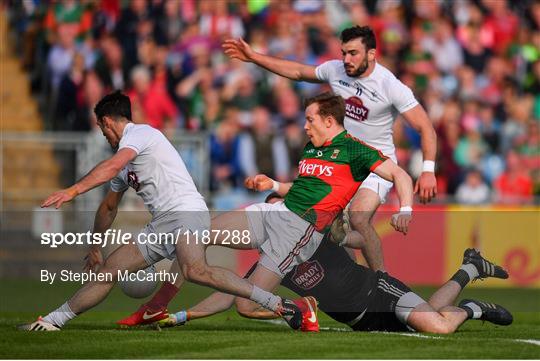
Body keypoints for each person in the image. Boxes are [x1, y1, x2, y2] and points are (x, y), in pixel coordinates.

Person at [117, 92, 415, 327]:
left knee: (245, 306)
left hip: (297, 231)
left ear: (328, 121)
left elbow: (399, 175)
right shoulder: (312, 148)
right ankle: (156, 307)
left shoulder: (355, 150)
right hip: (274, 212)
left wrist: (405, 209)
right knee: (196, 233)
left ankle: (299, 308)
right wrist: (272, 183)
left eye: (310, 119)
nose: (305, 125)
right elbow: (302, 189)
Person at [21, 91, 304, 331]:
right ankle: (52, 321)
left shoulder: (141, 134)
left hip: (187, 212)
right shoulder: (126, 161)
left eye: (102, 129)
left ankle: (277, 303)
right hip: (162, 223)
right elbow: (109, 206)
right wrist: (95, 244)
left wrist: (72, 190)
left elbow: (110, 167)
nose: (104, 135)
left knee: (195, 270)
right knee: (109, 269)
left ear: (107, 122)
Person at [223, 25, 438, 271]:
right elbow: (296, 71)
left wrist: (428, 170)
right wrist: (253, 58)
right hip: (339, 162)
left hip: (375, 165)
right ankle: (358, 280)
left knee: (358, 217)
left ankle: (382, 279)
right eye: (344, 52)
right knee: (337, 227)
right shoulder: (336, 70)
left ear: (371, 54)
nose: (346, 59)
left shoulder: (390, 86)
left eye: (353, 53)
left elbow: (426, 127)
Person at [160, 193, 512, 334]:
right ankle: (470, 267)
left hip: (377, 293)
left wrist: (346, 233)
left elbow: (359, 237)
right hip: (358, 321)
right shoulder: (270, 262)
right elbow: (229, 294)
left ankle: (473, 308)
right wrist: (182, 315)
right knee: (432, 313)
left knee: (440, 326)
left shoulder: (313, 231)